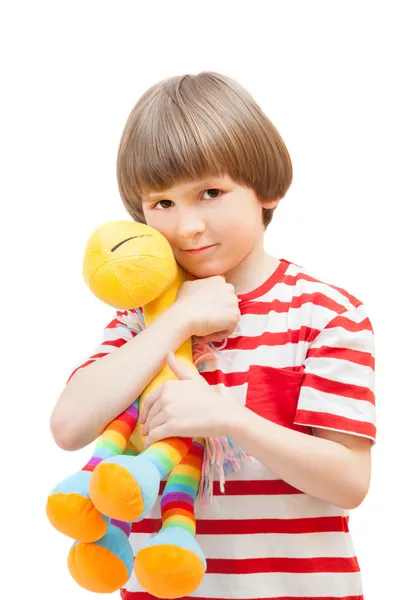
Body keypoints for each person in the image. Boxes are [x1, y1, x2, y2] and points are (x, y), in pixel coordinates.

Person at [50, 72, 376, 600]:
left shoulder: (326, 314)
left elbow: (349, 481)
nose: (187, 228)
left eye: (210, 192)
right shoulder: (143, 318)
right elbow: (68, 426)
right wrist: (176, 321)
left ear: (267, 188)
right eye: (162, 204)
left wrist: (225, 417)